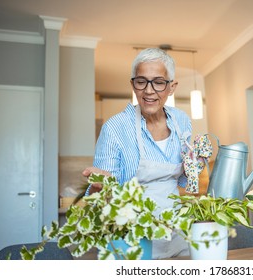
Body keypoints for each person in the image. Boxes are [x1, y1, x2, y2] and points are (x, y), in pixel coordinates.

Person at [82, 48, 192, 259]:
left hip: (177, 236)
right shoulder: (115, 128)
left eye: (159, 82)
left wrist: (194, 165)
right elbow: (100, 200)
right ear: (133, 84)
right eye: (141, 81)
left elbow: (183, 181)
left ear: (171, 87)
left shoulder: (182, 120)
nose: (149, 91)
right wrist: (99, 187)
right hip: (130, 240)